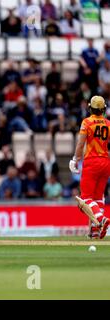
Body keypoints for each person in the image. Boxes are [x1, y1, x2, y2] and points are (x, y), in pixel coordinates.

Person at [69, 95, 110, 239]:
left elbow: (81, 144)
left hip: (92, 162)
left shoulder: (87, 122)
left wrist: (75, 159)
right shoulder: (108, 123)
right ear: (103, 109)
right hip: (106, 162)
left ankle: (100, 220)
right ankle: (95, 231)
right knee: (98, 197)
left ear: (90, 108)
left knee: (86, 198)